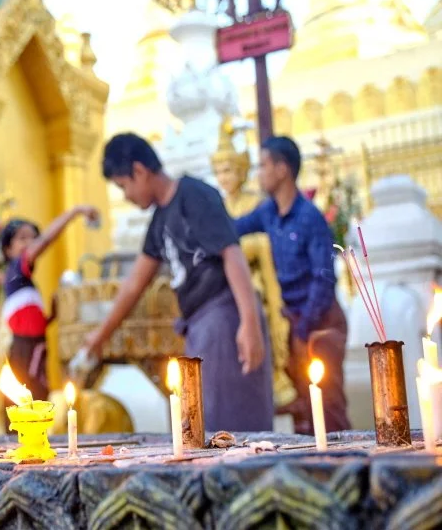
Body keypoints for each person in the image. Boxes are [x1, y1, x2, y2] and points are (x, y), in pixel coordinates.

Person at [80, 132, 273, 432]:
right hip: (199, 325)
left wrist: (249, 323)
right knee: (201, 423)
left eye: (123, 186)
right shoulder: (160, 220)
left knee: (232, 427)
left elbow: (231, 254)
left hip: (225, 318)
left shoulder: (194, 195)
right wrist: (100, 336)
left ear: (140, 171)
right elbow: (135, 284)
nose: (126, 196)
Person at [235, 136, 351, 433]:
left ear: (282, 169)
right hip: (295, 324)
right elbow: (234, 229)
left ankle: (344, 469)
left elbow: (324, 279)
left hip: (320, 324)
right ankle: (313, 470)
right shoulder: (268, 212)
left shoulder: (309, 217)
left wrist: (303, 329)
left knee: (328, 410)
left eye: (262, 165)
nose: (258, 173)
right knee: (305, 412)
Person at [211, 118, 296, 414]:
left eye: (229, 170)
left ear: (242, 171)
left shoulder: (257, 204)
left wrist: (232, 249)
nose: (224, 177)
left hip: (257, 282)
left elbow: (260, 247)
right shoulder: (217, 207)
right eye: (219, 171)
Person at [0, 206, 99, 400]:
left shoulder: (23, 281)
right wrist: (74, 212)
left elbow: (32, 324)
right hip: (25, 349)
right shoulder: (16, 269)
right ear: (8, 249)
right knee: (29, 399)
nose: (30, 243)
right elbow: (45, 240)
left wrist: (51, 316)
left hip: (33, 347)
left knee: (35, 396)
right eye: (22, 238)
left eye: (32, 238)